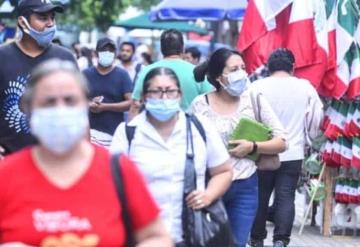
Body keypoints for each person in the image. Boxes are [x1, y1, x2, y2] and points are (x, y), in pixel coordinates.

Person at [0, 59, 172, 247]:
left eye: (70, 100)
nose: (60, 110)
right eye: (49, 102)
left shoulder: (119, 171)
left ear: (85, 105)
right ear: (30, 109)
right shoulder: (7, 175)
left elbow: (157, 237)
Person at [111, 67, 233, 245]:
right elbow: (111, 183)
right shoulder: (128, 133)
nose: (164, 97)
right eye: (156, 92)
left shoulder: (199, 127)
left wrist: (208, 195)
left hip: (191, 235)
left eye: (170, 91)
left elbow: (223, 171)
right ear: (144, 97)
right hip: (143, 237)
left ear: (179, 95)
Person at [190, 48, 287, 247]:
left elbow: (282, 141)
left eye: (243, 68)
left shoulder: (253, 99)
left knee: (237, 243)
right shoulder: (200, 105)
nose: (241, 73)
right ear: (219, 77)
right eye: (234, 69)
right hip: (209, 185)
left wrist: (252, 146)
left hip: (245, 187)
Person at [250, 48, 323, 247]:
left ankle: (256, 239)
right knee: (286, 196)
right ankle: (281, 241)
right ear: (293, 67)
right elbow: (316, 117)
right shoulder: (305, 87)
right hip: (293, 151)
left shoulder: (256, 86)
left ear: (269, 67)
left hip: (263, 151)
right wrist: (308, 137)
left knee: (260, 196)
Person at [0, 0, 77, 158]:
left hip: (57, 161)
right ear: (23, 22)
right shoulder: (2, 57)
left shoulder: (65, 58)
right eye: (43, 18)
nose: (50, 24)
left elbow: (78, 111)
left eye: (52, 17)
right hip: (9, 162)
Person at [129, 29, 214, 119]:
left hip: (154, 127)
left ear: (161, 49)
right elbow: (211, 102)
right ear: (183, 48)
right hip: (190, 128)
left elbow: (135, 105)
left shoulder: (147, 71)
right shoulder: (197, 72)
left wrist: (130, 129)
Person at [83, 38, 132, 140]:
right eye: (104, 51)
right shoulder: (86, 74)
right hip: (89, 133)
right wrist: (89, 103)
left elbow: (130, 102)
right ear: (96, 53)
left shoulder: (122, 75)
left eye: (111, 51)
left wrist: (105, 107)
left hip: (114, 134)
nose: (107, 53)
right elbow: (77, 99)